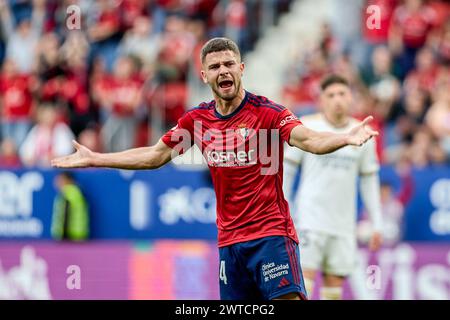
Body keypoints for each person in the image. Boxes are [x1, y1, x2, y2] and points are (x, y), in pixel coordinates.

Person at [52, 38, 378, 300]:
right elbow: (155, 156)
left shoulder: (268, 113)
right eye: (215, 66)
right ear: (204, 75)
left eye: (229, 64)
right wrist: (96, 158)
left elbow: (309, 140)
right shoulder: (197, 121)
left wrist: (345, 138)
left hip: (271, 237)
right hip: (230, 244)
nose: (223, 71)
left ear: (242, 68)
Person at [283, 74, 383, 300]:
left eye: (342, 94)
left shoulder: (363, 131)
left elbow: (369, 180)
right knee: (301, 287)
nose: (337, 99)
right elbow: (287, 171)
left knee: (333, 290)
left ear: (351, 98)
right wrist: (284, 211)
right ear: (322, 100)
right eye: (331, 95)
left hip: (343, 225)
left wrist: (377, 222)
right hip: (309, 221)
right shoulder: (307, 127)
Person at [51, 171, 89, 241]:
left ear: (67, 180)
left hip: (70, 237)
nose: (57, 182)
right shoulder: (76, 192)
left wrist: (63, 237)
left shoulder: (68, 193)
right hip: (79, 235)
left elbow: (65, 215)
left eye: (60, 180)